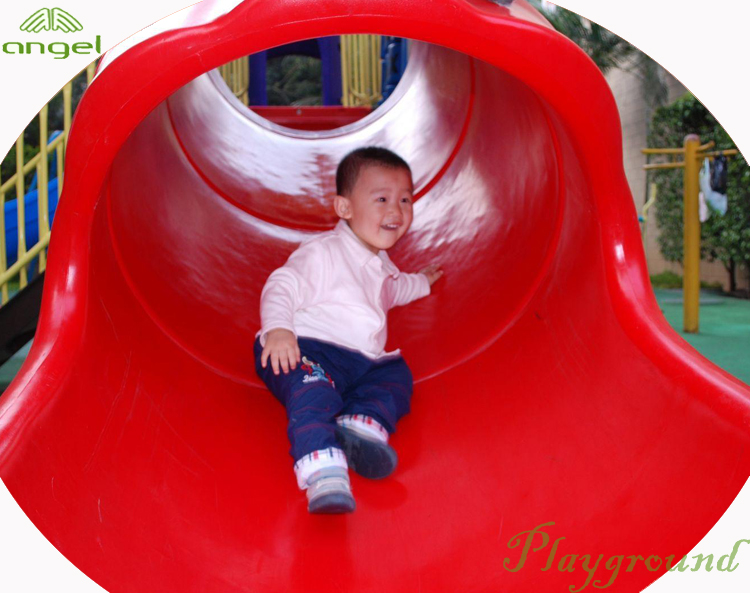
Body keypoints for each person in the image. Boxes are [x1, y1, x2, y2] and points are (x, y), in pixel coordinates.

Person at [254, 146, 443, 514]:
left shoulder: (381, 263)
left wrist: (422, 282)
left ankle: (361, 424)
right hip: (304, 350)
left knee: (396, 375)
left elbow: (395, 290)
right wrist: (278, 329)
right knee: (313, 392)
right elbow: (282, 284)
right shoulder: (323, 253)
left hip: (359, 362)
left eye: (405, 200)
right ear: (345, 208)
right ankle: (322, 470)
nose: (396, 211)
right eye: (382, 199)